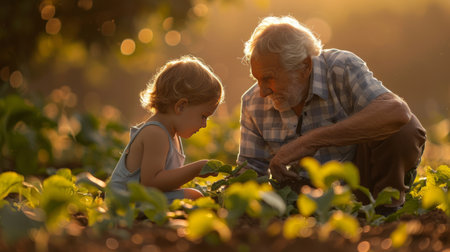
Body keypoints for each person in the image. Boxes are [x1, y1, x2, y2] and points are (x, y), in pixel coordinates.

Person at [237, 16, 426, 213]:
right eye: (257, 79)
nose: (263, 91)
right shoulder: (252, 103)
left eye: (268, 78)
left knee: (403, 130)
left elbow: (396, 112)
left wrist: (309, 142)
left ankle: (385, 210)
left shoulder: (340, 68)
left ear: (305, 66)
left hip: (362, 183)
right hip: (301, 200)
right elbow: (248, 174)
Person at [109, 55, 224, 202]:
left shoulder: (171, 134)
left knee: (194, 195)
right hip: (125, 201)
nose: (204, 124)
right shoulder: (155, 133)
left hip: (141, 198)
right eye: (203, 116)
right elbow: (151, 183)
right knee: (193, 196)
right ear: (181, 106)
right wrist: (195, 169)